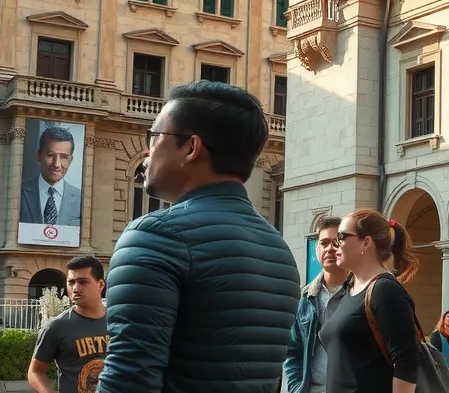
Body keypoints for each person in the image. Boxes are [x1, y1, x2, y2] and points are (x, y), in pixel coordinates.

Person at [96, 81, 300, 393]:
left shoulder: (154, 235)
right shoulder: (278, 248)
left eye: (155, 137)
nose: (147, 152)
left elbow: (128, 377)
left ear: (191, 147)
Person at [319, 209, 420, 393]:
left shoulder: (385, 290)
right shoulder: (350, 288)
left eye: (342, 237)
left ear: (366, 242)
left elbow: (407, 363)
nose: (335, 245)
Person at [284, 215, 348, 393]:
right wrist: (296, 388)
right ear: (316, 249)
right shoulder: (305, 297)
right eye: (324, 243)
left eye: (336, 242)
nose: (329, 248)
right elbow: (294, 351)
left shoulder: (362, 293)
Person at [28, 256, 108, 393]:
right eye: (71, 282)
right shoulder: (56, 326)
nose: (75, 288)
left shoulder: (118, 322)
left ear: (100, 285)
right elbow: (36, 372)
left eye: (82, 282)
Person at [20, 126, 82, 227]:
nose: (56, 164)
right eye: (50, 155)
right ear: (39, 156)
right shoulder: (19, 191)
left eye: (64, 157)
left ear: (70, 161)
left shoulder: (81, 199)